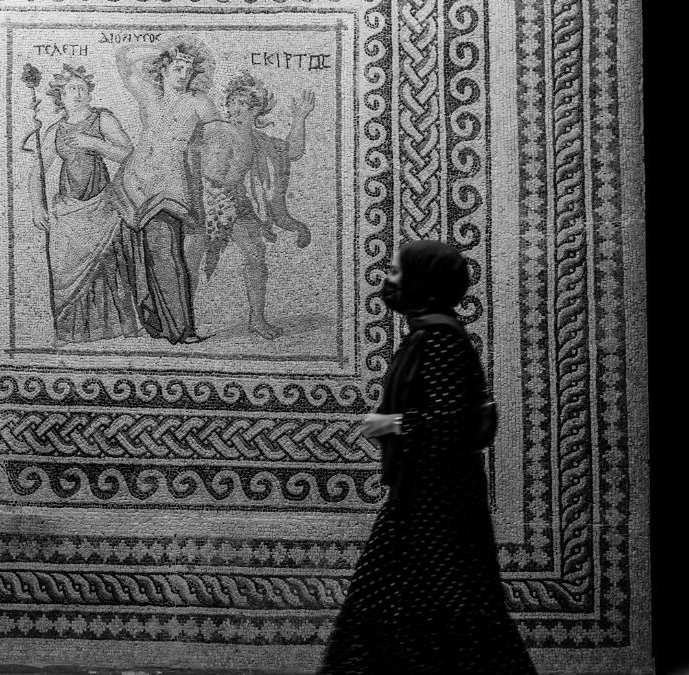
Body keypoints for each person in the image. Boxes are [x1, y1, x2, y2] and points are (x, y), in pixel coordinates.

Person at [318, 240, 537, 674]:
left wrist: (390, 425)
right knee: (423, 606)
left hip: (438, 509)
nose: (388, 280)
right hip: (427, 501)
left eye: (397, 273)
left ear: (424, 283)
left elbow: (446, 425)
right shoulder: (428, 334)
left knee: (453, 609)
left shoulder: (440, 341)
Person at [106, 38, 219, 344]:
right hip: (133, 182)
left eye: (189, 69)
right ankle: (150, 321)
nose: (183, 74)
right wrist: (160, 52)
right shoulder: (148, 93)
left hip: (170, 185)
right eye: (177, 67)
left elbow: (218, 140)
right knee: (132, 253)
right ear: (164, 68)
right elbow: (123, 59)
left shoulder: (199, 102)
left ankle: (182, 329)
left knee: (167, 253)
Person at [186, 71, 315, 339]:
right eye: (232, 103)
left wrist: (299, 118)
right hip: (204, 202)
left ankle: (257, 319)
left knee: (255, 255)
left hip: (241, 206)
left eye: (243, 104)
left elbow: (292, 151)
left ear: (256, 109)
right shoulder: (216, 131)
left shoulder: (261, 142)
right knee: (192, 259)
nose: (235, 109)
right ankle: (181, 321)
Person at [27, 65, 141, 344]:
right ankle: (68, 331)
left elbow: (128, 154)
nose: (76, 94)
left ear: (89, 92)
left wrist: (93, 143)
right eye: (70, 90)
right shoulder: (54, 130)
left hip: (101, 204)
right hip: (68, 209)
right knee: (64, 268)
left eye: (81, 88)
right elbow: (37, 172)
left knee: (108, 265)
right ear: (61, 97)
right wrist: (37, 207)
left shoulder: (102, 120)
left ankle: (119, 327)